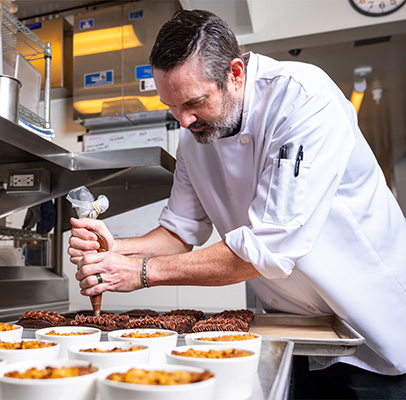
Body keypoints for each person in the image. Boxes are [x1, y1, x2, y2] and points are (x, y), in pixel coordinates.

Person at [68, 9, 406, 399]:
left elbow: (264, 250)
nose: (184, 121)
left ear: (235, 74)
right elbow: (179, 231)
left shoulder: (303, 101)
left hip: (370, 330)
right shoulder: (196, 131)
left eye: (194, 102)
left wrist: (139, 272)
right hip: (294, 331)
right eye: (172, 107)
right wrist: (118, 248)